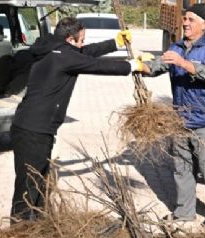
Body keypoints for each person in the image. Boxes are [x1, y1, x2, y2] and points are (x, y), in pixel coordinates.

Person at [9, 16, 146, 220]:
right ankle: (17, 235)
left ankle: (35, 230)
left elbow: (84, 53)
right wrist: (131, 66)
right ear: (69, 40)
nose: (82, 43)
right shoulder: (62, 56)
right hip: (34, 130)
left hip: (34, 127)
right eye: (81, 39)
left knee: (39, 183)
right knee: (28, 187)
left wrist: (114, 43)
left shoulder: (53, 49)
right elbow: (96, 65)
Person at [146, 3, 205, 227]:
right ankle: (184, 212)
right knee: (182, 168)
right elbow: (156, 66)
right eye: (185, 19)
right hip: (180, 120)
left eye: (191, 19)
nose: (185, 23)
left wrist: (184, 63)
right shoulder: (176, 48)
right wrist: (138, 65)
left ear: (204, 24)